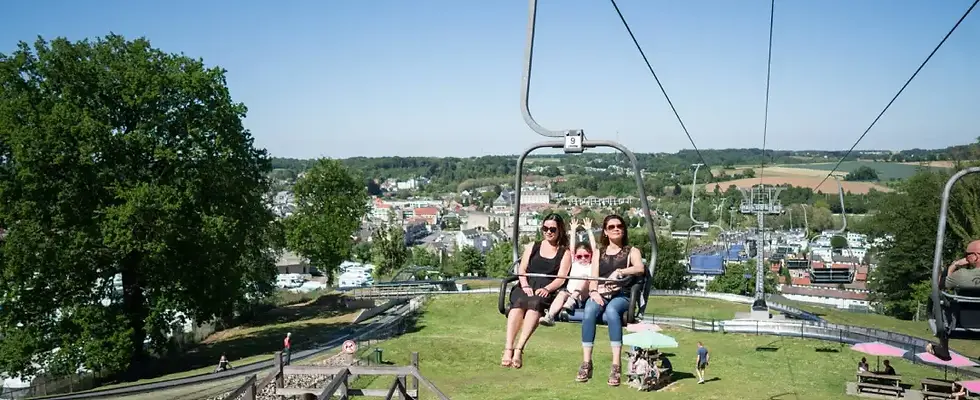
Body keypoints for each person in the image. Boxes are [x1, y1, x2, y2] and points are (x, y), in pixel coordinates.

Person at [575, 214, 647, 386]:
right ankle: (586, 362)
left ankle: (616, 364)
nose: (616, 229)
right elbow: (593, 276)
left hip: (622, 295)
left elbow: (640, 268)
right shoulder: (599, 253)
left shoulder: (631, 251)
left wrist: (621, 271)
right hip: (601, 292)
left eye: (619, 226)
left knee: (612, 311)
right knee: (590, 310)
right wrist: (593, 291)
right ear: (605, 232)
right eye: (611, 227)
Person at [501, 213, 572, 369]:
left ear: (559, 230)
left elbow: (561, 278)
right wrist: (525, 285)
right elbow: (522, 270)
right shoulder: (533, 246)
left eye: (552, 229)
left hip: (547, 286)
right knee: (518, 303)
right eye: (545, 228)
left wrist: (547, 288)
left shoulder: (564, 252)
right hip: (526, 284)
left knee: (535, 304)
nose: (548, 232)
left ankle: (519, 349)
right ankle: (508, 347)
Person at [540, 217, 598, 326]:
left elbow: (595, 249)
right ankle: (550, 316)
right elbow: (571, 249)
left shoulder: (592, 265)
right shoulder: (575, 263)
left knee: (585, 277)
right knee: (562, 294)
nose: (583, 259)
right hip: (569, 292)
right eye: (579, 256)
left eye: (586, 256)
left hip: (582, 296)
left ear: (590, 256)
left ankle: (573, 299)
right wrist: (573, 231)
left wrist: (589, 230)